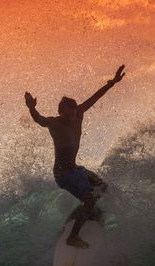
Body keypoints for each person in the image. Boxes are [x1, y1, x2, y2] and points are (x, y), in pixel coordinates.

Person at [24, 65, 126, 248]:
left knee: (102, 187)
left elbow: (95, 97)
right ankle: (73, 236)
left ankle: (84, 212)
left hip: (76, 169)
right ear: (60, 112)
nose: (71, 117)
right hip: (63, 174)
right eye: (66, 114)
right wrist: (32, 108)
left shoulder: (79, 114)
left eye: (73, 113)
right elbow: (39, 120)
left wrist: (113, 82)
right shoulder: (54, 123)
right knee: (89, 199)